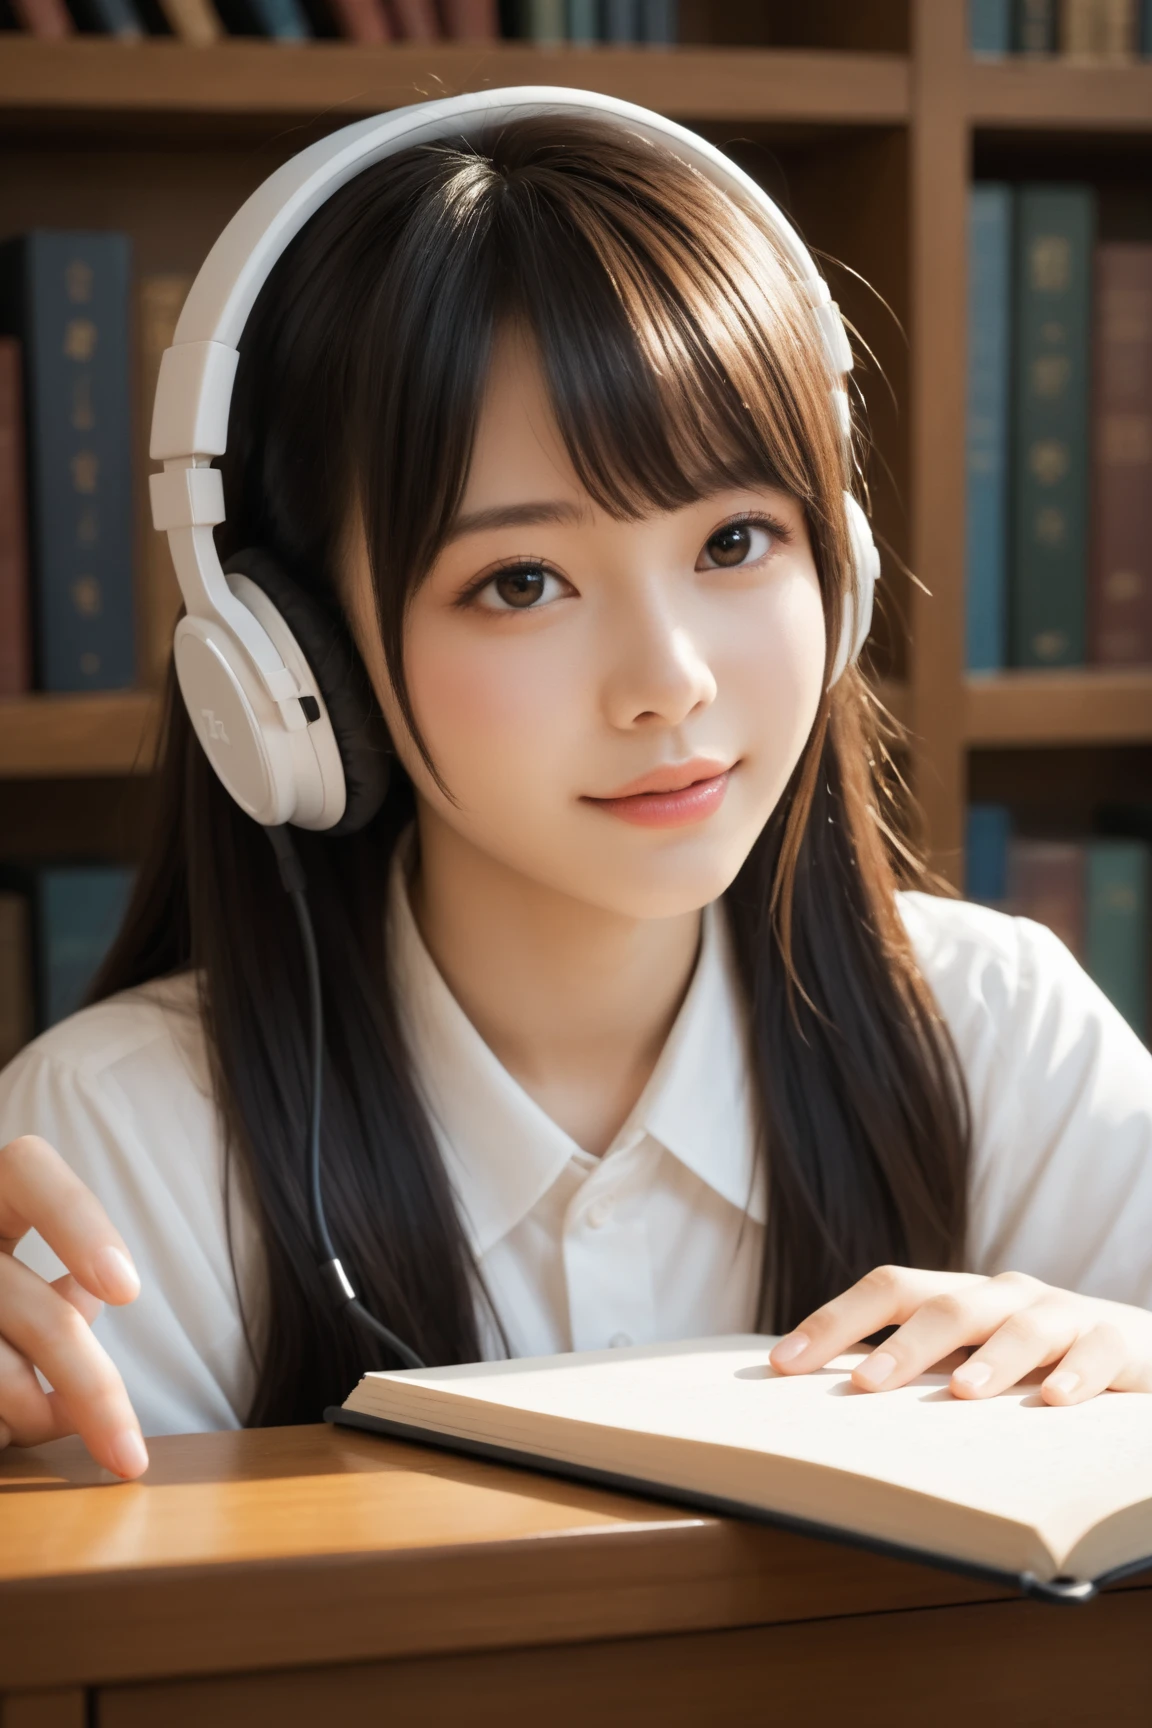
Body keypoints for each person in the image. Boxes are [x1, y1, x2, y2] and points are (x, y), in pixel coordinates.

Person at [0, 111, 1149, 1487]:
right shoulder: (132, 1147)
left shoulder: (999, 1039)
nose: (666, 685)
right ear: (297, 667)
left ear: (836, 564)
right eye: (520, 582)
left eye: (735, 541)